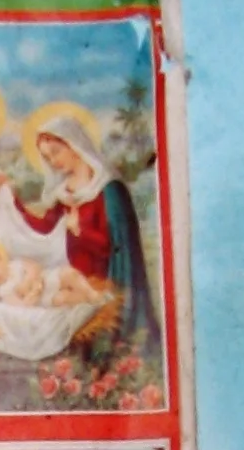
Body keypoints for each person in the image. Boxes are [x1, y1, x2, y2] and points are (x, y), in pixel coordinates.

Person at [9, 111, 160, 364]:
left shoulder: (109, 189)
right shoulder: (63, 192)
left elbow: (115, 246)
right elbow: (45, 228)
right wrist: (12, 202)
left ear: (74, 144)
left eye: (56, 152)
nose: (53, 161)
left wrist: (80, 232)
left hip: (105, 279)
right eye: (47, 157)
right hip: (72, 281)